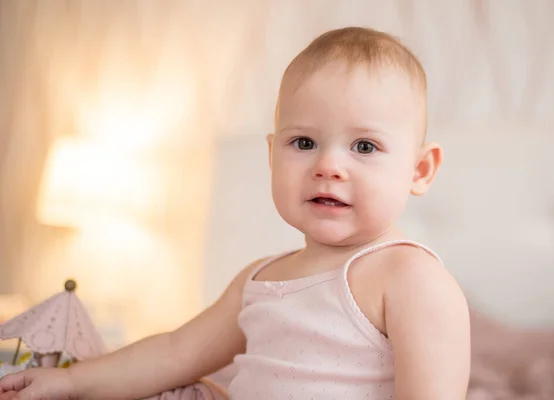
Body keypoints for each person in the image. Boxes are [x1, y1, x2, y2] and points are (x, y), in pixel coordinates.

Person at [0, 26, 471, 400]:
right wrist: (72, 381)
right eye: (303, 143)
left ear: (419, 170)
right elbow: (174, 351)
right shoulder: (259, 279)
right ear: (272, 156)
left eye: (364, 146)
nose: (329, 166)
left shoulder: (410, 277)